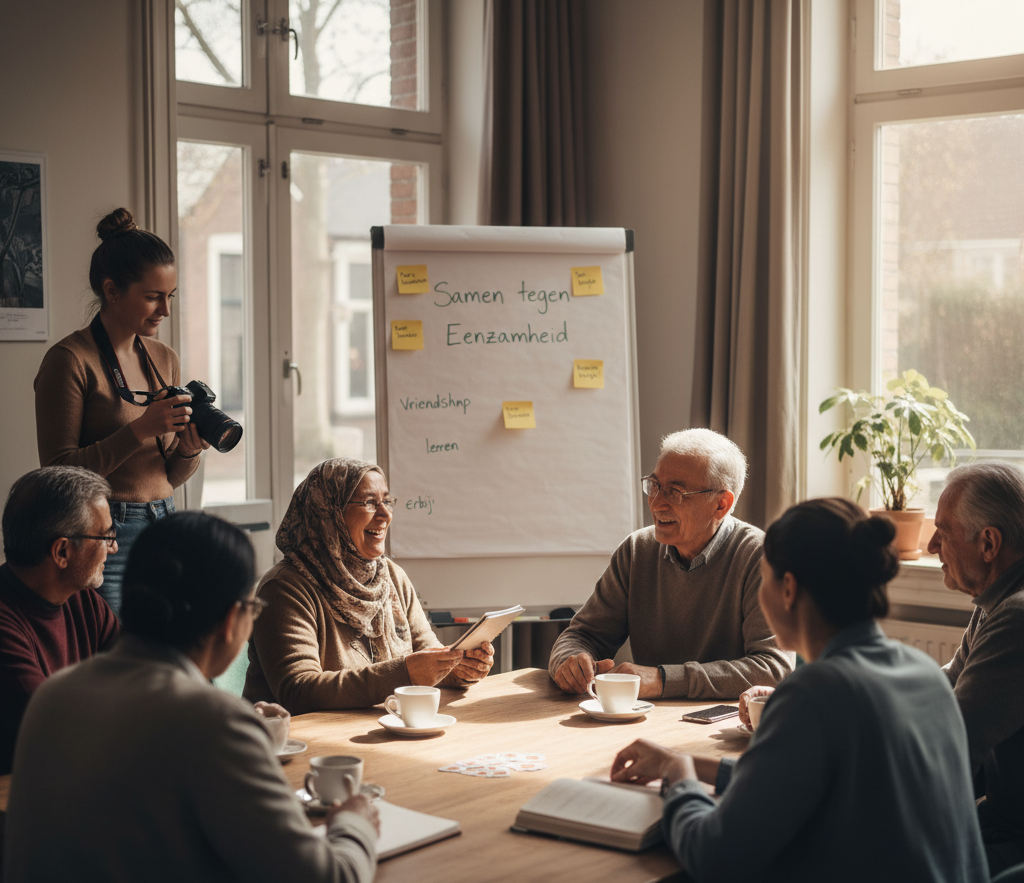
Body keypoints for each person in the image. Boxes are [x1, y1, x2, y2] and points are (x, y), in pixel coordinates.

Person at [609, 498, 988, 883]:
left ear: (787, 588)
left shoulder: (813, 693)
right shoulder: (922, 671)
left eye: (763, 577)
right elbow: (791, 777)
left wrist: (679, 780)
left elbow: (714, 857)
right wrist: (686, 761)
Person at [4, 511, 378, 883]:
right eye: (253, 608)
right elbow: (332, 877)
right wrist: (352, 823)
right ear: (232, 620)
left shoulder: (54, 695)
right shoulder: (213, 721)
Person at [34, 207, 208, 615]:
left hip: (165, 522)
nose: (165, 310)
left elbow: (166, 477)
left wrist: (189, 449)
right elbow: (58, 473)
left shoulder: (164, 358)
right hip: (103, 533)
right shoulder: (69, 360)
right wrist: (140, 430)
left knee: (164, 651)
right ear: (112, 291)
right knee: (114, 659)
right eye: (152, 297)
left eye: (170, 296)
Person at [548, 429, 792, 699]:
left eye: (675, 492)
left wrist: (664, 680)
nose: (656, 503)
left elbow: (773, 668)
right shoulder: (636, 550)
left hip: (727, 727)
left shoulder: (760, 556)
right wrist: (570, 661)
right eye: (654, 486)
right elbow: (582, 636)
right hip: (645, 719)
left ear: (721, 504)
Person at [244, 458, 493, 713]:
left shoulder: (391, 577)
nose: (385, 514)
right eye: (369, 502)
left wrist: (460, 668)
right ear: (330, 512)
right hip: (297, 744)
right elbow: (298, 690)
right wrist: (405, 673)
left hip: (379, 733)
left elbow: (427, 656)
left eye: (386, 501)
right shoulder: (284, 589)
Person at [928, 462, 1024, 876]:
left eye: (943, 532)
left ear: (988, 543)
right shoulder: (996, 599)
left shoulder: (1017, 615)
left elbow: (952, 743)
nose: (932, 546)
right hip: (999, 821)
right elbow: (940, 690)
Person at [0, 466, 120, 774]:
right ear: (62, 551)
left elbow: (148, 674)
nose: (113, 547)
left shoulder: (82, 600)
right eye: (105, 536)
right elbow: (55, 725)